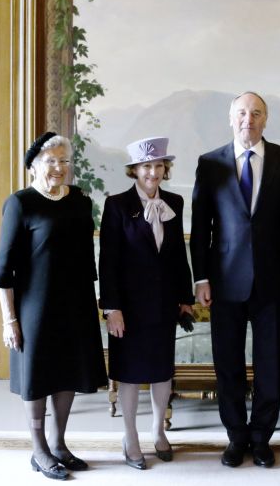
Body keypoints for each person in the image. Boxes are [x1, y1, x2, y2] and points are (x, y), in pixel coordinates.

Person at [190, 91, 280, 468]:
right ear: (231, 117)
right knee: (228, 364)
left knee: (270, 363)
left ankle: (261, 438)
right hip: (224, 282)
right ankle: (236, 437)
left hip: (273, 280)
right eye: (242, 113)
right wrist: (201, 278)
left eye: (256, 113)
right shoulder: (210, 163)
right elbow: (201, 226)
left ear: (265, 119)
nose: (248, 120)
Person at [0, 132, 107, 481]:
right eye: (51, 161)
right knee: (37, 375)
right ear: (33, 166)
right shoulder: (21, 203)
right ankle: (39, 449)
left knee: (68, 371)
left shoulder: (80, 200)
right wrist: (9, 319)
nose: (59, 167)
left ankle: (59, 444)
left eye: (64, 161)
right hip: (35, 305)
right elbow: (3, 269)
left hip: (76, 302)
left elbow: (86, 255)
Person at [99, 137, 195, 469]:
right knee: (129, 373)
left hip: (164, 304)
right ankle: (130, 437)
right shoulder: (116, 205)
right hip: (128, 308)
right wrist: (112, 308)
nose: (153, 172)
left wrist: (185, 299)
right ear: (134, 170)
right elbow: (108, 261)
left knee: (161, 370)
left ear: (165, 169)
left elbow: (178, 255)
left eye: (158, 166)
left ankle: (158, 430)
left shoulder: (174, 202)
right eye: (146, 166)